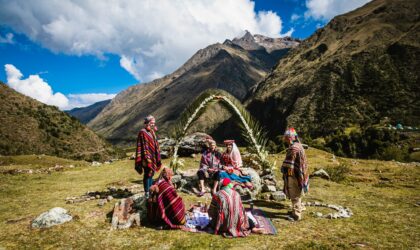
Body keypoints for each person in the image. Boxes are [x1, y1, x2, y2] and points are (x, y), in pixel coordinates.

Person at [280, 127, 309, 221]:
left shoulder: (294, 148)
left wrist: (289, 176)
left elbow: (290, 165)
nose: (286, 139)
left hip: (294, 174)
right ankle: (296, 209)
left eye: (287, 137)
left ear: (292, 137)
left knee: (294, 192)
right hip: (299, 173)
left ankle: (296, 214)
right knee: (297, 193)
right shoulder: (298, 145)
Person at [135, 115, 162, 198]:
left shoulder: (152, 132)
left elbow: (154, 143)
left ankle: (150, 190)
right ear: (148, 123)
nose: (153, 125)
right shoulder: (142, 132)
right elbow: (142, 145)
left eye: (154, 123)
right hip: (145, 157)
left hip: (152, 156)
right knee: (147, 173)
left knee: (152, 173)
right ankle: (147, 192)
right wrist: (147, 157)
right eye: (152, 123)